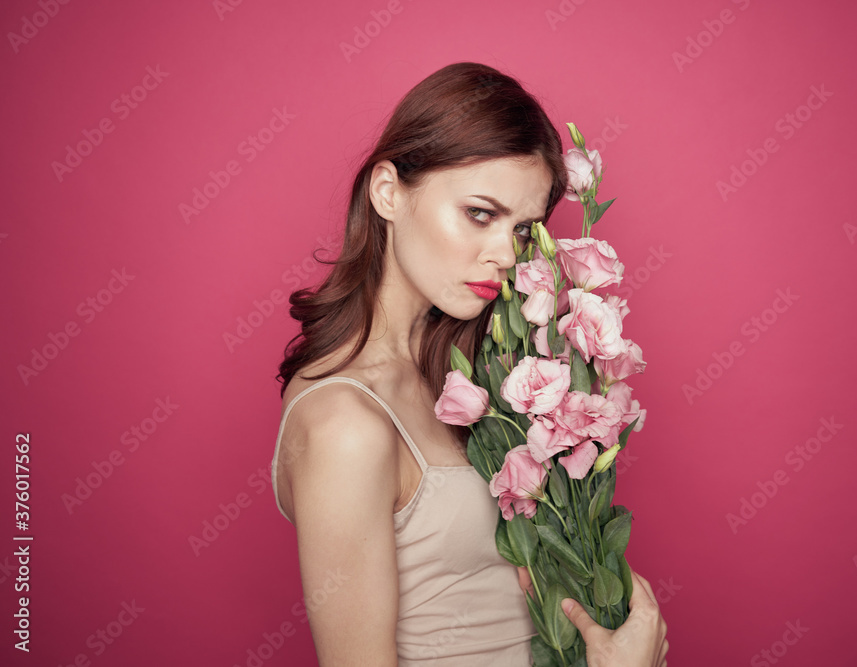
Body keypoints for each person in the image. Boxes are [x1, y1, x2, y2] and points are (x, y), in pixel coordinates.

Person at [269, 61, 668, 666]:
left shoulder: (473, 383)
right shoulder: (343, 424)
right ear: (387, 192)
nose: (505, 255)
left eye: (525, 228)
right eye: (480, 214)